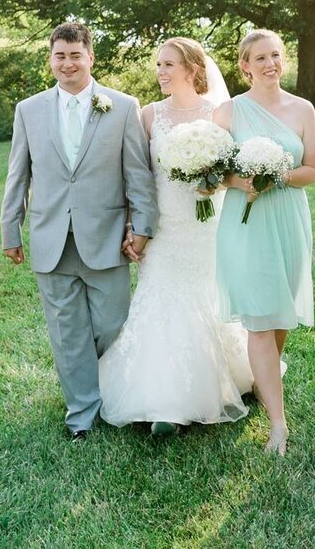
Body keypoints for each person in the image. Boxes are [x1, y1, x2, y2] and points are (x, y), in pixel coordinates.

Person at [1, 21, 155, 440]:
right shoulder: (28, 110)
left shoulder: (122, 106)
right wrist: (10, 230)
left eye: (75, 55)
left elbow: (138, 175)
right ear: (50, 59)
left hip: (106, 236)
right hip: (51, 238)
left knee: (111, 323)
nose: (67, 64)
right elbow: (18, 175)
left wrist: (141, 226)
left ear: (90, 57)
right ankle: (82, 411)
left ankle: (115, 392)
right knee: (67, 330)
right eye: (59, 56)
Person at [98, 37, 253, 434]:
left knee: (204, 298)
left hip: (205, 227)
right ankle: (162, 399)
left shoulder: (219, 113)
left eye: (168, 65)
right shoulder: (149, 115)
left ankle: (210, 384)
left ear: (192, 69)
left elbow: (232, 172)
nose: (160, 72)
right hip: (164, 228)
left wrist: (212, 182)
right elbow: (137, 176)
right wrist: (137, 225)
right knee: (160, 300)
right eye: (158, 65)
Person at [214, 29, 315, 457]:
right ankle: (278, 424)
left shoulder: (303, 109)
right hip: (247, 223)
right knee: (259, 318)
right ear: (245, 66)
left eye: (275, 55)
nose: (270, 64)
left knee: (278, 317)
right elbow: (214, 175)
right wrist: (239, 180)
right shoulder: (228, 113)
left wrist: (276, 175)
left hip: (290, 218)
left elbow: (312, 169)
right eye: (260, 58)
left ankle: (263, 381)